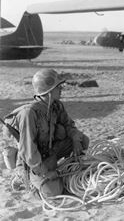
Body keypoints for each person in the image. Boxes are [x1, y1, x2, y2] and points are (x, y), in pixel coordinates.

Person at [3, 68, 89, 197]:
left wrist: (76, 140)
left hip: (50, 152)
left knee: (83, 140)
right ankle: (22, 177)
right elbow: (29, 151)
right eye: (58, 87)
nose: (61, 89)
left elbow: (69, 125)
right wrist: (43, 172)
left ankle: (68, 171)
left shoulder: (56, 105)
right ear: (48, 91)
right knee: (53, 192)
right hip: (33, 161)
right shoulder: (29, 113)